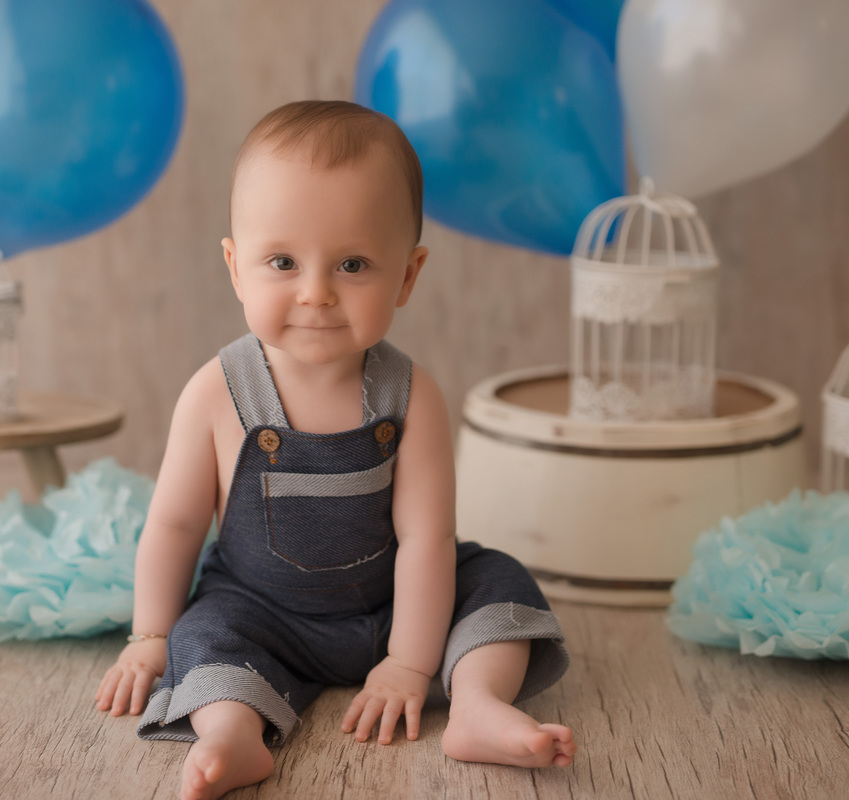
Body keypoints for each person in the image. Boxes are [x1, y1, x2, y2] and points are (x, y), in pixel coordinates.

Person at [94, 100, 574, 800]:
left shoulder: (411, 397)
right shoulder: (216, 393)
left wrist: (412, 662)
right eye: (283, 261)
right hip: (263, 610)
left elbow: (426, 541)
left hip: (398, 604)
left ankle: (476, 704)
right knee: (203, 635)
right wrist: (147, 637)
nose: (316, 293)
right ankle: (232, 734)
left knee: (498, 582)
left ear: (407, 276)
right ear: (236, 267)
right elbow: (173, 525)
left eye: (352, 264)